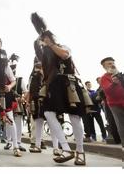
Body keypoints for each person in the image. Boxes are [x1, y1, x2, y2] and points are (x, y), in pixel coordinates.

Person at [32, 13, 92, 165]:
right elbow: (39, 54)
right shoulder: (44, 54)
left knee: (74, 117)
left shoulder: (63, 46)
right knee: (47, 112)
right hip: (52, 85)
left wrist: (51, 44)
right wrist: (39, 39)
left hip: (68, 83)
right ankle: (65, 148)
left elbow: (65, 55)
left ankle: (80, 151)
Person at [100, 57, 124, 147]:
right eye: (109, 63)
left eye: (113, 63)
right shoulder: (104, 78)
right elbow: (107, 91)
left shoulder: (120, 75)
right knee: (121, 125)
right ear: (104, 67)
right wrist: (114, 83)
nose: (112, 65)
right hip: (115, 104)